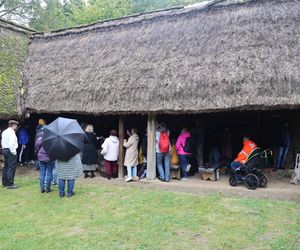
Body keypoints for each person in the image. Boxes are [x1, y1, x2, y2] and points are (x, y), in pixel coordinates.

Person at [35, 127, 55, 193]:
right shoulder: (53, 139)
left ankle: (42, 189)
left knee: (42, 174)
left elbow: (37, 147)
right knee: (49, 174)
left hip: (41, 157)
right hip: (50, 158)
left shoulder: (40, 139)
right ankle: (48, 189)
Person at [1, 120, 19, 189]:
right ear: (13, 125)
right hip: (10, 150)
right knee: (11, 167)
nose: (16, 126)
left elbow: (2, 141)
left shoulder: (4, 131)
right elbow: (11, 143)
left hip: (5, 149)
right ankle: (10, 183)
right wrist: (13, 152)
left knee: (6, 166)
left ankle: (4, 182)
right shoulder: (11, 132)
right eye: (16, 125)